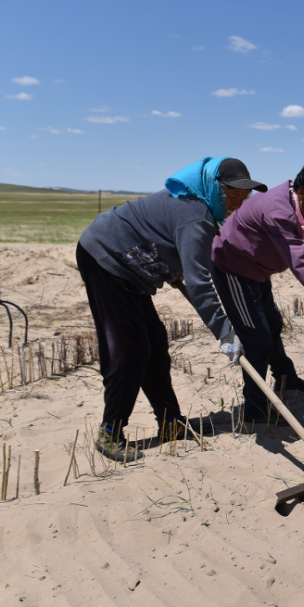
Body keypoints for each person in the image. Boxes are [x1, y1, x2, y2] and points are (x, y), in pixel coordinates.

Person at [76, 157, 266, 460]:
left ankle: (169, 422)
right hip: (107, 257)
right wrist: (226, 333)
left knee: (154, 344)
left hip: (129, 267)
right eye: (232, 197)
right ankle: (110, 432)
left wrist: (174, 268)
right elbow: (200, 285)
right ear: (214, 188)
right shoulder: (197, 218)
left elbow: (171, 243)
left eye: (242, 200)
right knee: (130, 350)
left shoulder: (197, 207)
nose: (236, 206)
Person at [211, 158, 304, 423]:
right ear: (302, 194)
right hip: (233, 269)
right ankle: (255, 411)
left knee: (272, 324)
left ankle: (286, 380)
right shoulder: (278, 210)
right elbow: (300, 261)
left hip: (257, 271)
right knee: (257, 338)